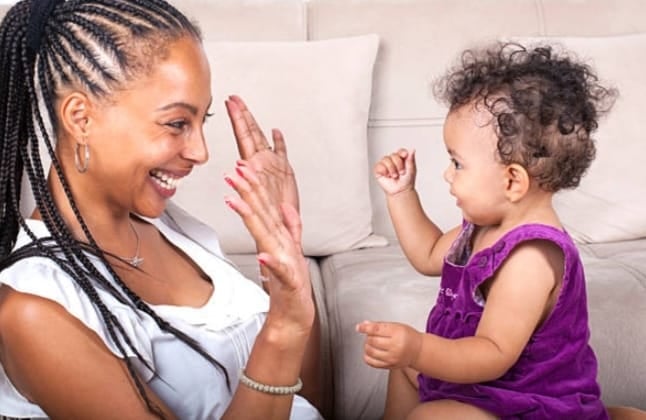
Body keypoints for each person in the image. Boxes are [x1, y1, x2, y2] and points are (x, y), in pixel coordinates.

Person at [0, 0, 322, 419]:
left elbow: (305, 402)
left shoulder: (173, 229)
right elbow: (284, 346)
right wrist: (282, 327)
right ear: (81, 117)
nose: (201, 152)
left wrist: (285, 252)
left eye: (202, 121)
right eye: (176, 123)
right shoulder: (35, 311)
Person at [356, 41, 645, 419]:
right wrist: (401, 194)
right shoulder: (481, 227)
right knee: (407, 370)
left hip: (527, 404)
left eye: (457, 164)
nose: (447, 174)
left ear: (512, 181)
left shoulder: (529, 258)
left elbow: (492, 353)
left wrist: (418, 348)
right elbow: (427, 254)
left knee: (430, 415)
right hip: (478, 386)